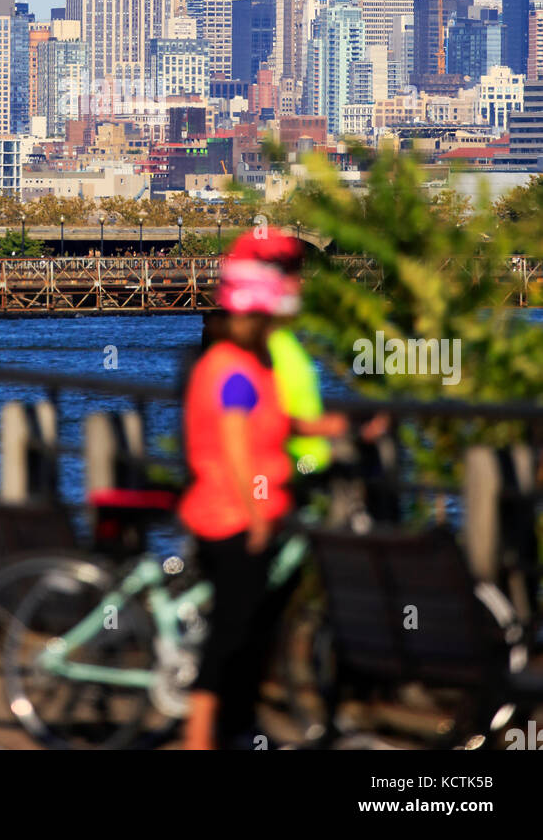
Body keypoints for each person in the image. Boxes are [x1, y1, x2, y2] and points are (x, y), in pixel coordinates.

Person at [180, 228, 363, 750]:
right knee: (231, 632)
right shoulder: (234, 369)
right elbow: (237, 446)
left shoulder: (248, 365)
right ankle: (199, 738)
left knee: (252, 627)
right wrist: (256, 513)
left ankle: (237, 728)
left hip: (248, 509)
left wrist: (338, 427)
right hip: (233, 515)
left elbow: (275, 421)